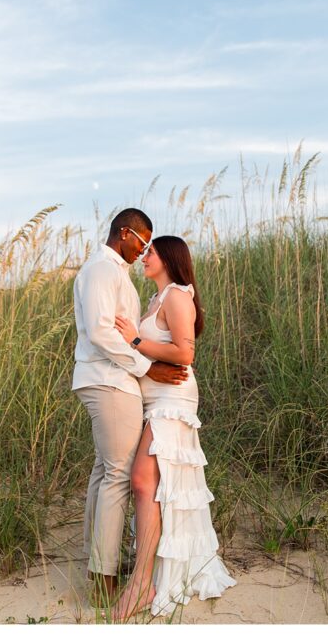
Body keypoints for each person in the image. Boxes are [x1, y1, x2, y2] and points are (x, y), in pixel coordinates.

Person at [109, 235, 236, 620]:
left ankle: (143, 583)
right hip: (154, 399)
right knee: (157, 486)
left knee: (143, 480)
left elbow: (185, 352)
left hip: (174, 399)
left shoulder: (179, 295)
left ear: (169, 257)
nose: (144, 257)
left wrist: (133, 338)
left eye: (151, 251)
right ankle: (157, 570)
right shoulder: (156, 300)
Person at [71, 209, 190, 607]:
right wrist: (147, 367)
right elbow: (102, 331)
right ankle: (103, 578)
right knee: (119, 475)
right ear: (125, 234)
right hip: (109, 381)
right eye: (142, 242)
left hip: (110, 379)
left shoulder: (112, 273)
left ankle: (96, 565)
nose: (142, 252)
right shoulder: (103, 271)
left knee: (105, 471)